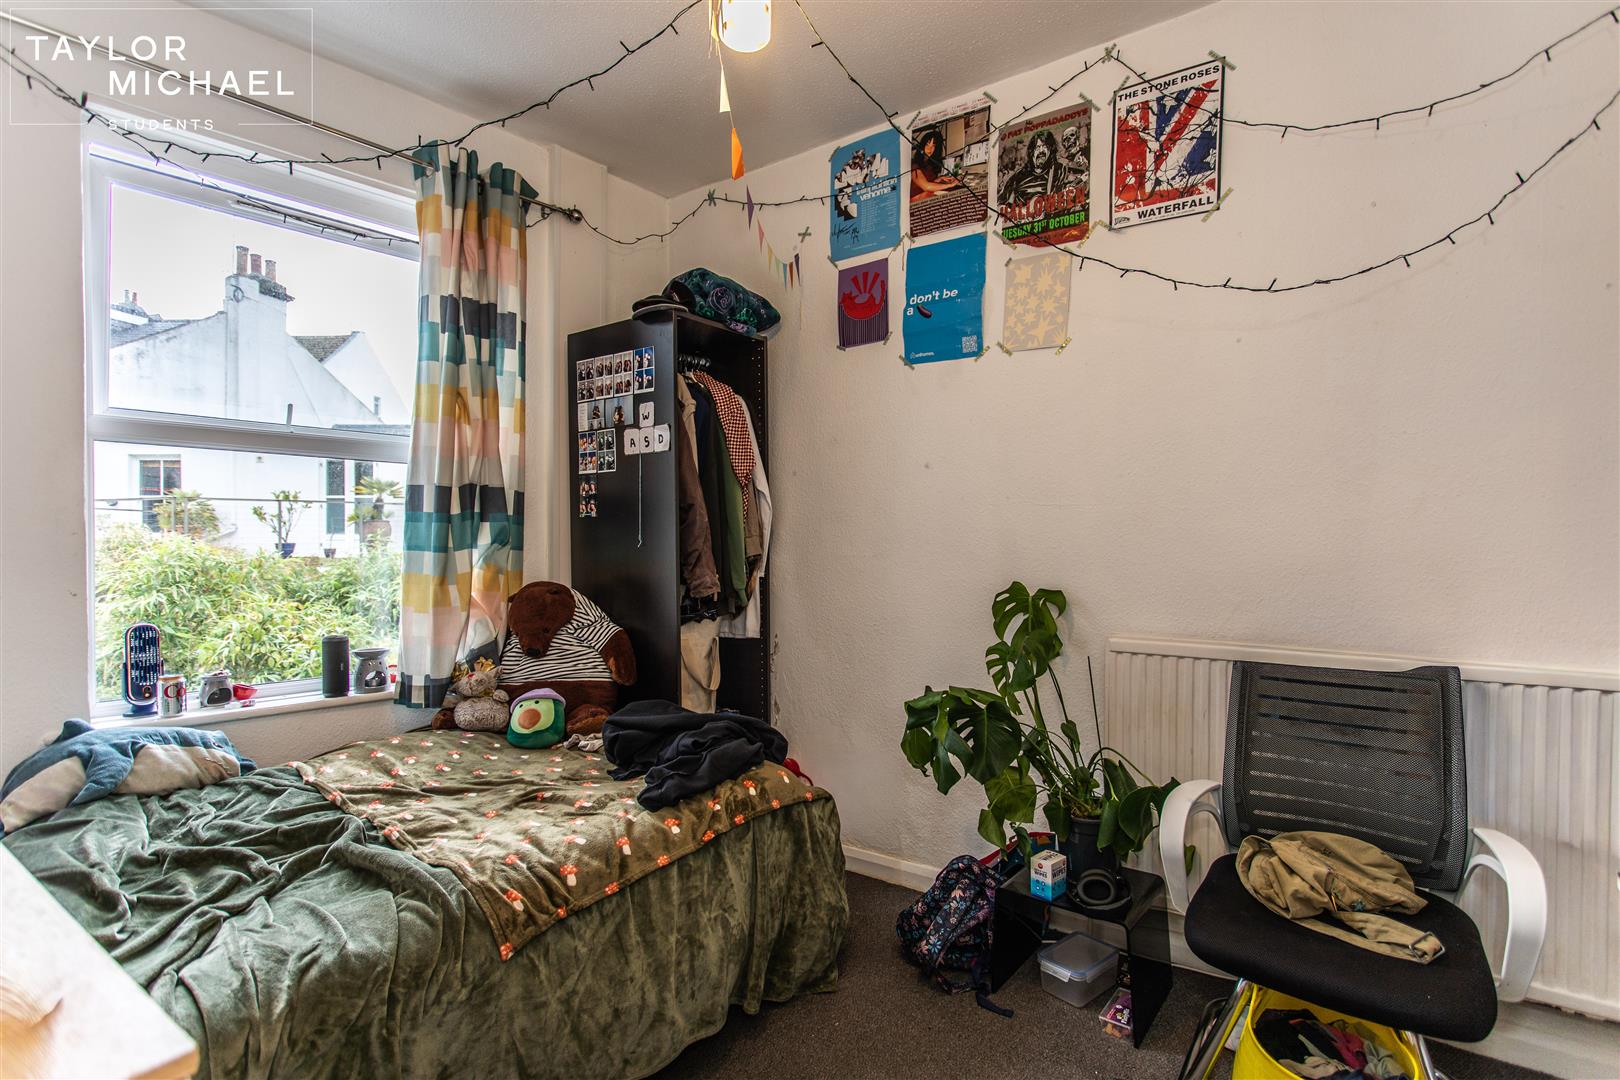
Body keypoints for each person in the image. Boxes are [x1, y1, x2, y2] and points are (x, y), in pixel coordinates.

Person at [999, 129, 1066, 206]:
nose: (1041, 151)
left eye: (1045, 147)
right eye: (1037, 147)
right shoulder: (1018, 176)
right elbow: (1000, 205)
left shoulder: (1059, 170)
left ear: (1051, 150)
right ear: (1032, 152)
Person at [910, 128, 960, 200]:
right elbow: (926, 187)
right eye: (927, 145)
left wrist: (938, 179)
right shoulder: (914, 164)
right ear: (922, 146)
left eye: (933, 145)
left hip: (927, 196)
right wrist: (950, 185)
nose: (930, 149)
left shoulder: (928, 162)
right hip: (916, 201)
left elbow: (927, 182)